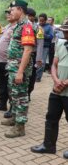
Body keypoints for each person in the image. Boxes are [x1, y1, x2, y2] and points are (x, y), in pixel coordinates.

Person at [31, 20, 68, 159]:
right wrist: (56, 80)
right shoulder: (60, 43)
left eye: (67, 31)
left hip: (66, 89)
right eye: (64, 30)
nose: (65, 33)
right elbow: (54, 64)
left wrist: (65, 82)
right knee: (51, 117)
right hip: (57, 89)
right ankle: (48, 145)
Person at [1, 0, 35, 138]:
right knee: (14, 95)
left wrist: (20, 71)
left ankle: (20, 127)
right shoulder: (18, 25)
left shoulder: (27, 26)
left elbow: (27, 50)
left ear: (20, 10)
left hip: (19, 69)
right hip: (13, 67)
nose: (10, 12)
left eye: (12, 9)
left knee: (20, 96)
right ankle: (15, 118)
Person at [0, 9, 17, 111]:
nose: (8, 15)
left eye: (10, 13)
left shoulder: (17, 28)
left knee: (10, 86)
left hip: (9, 62)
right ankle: (2, 104)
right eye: (7, 13)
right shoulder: (7, 27)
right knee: (2, 84)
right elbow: (0, 43)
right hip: (0, 61)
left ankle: (12, 108)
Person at [27, 8, 44, 101]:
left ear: (34, 17)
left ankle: (29, 92)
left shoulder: (39, 29)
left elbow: (40, 44)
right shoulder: (22, 26)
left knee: (31, 76)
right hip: (21, 56)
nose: (29, 18)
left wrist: (39, 59)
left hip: (32, 55)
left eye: (30, 16)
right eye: (27, 16)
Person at [36, 13, 53, 82]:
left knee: (41, 62)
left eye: (42, 20)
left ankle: (38, 77)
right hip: (36, 46)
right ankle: (34, 75)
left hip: (44, 47)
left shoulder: (49, 27)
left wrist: (44, 34)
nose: (41, 22)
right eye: (40, 20)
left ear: (45, 20)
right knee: (35, 61)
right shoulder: (37, 26)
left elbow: (51, 37)